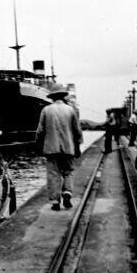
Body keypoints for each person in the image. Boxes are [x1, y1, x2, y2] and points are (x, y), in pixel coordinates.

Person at [35, 83, 83, 211]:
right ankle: (67, 193)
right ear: (63, 96)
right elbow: (77, 130)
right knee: (68, 172)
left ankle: (55, 201)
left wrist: (39, 146)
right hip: (68, 148)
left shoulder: (46, 110)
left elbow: (40, 131)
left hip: (51, 148)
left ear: (52, 97)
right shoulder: (70, 110)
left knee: (53, 174)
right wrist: (77, 147)